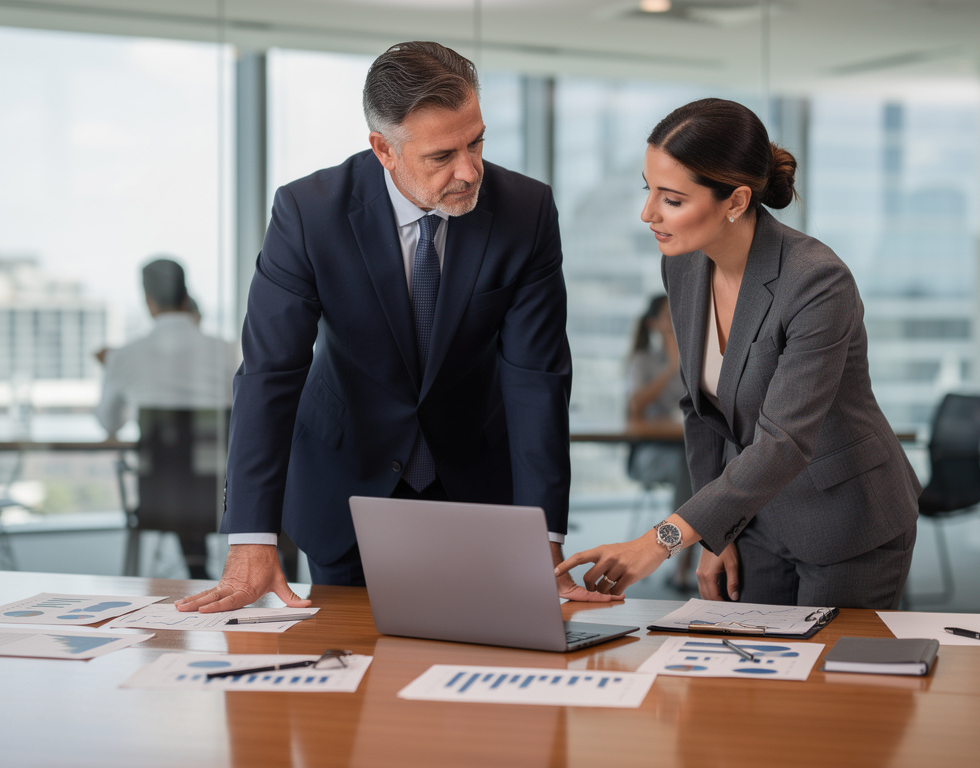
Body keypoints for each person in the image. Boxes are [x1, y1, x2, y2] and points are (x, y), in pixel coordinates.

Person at [177, 41, 611, 614]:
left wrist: (544, 541)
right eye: (441, 156)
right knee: (345, 678)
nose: (469, 170)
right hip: (345, 486)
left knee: (478, 681)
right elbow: (270, 373)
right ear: (384, 149)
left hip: (478, 487)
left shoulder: (524, 210)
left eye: (476, 141)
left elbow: (537, 379)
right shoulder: (309, 213)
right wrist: (252, 536)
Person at [557, 98, 920, 609]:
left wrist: (660, 541)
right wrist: (714, 532)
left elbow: (784, 442)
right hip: (756, 515)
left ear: (736, 200)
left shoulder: (816, 281)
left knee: (829, 685)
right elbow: (700, 410)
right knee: (749, 679)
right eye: (649, 190)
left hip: (844, 518)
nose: (648, 214)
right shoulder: (683, 268)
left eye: (672, 199)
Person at [94, 257, 238, 437]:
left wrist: (110, 367)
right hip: (219, 464)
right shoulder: (229, 351)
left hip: (157, 464)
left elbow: (109, 423)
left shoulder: (122, 357)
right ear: (186, 297)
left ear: (148, 300)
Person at [625, 295, 695, 592]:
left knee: (701, 464)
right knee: (689, 468)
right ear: (653, 323)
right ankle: (678, 563)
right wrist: (670, 366)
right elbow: (635, 407)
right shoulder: (642, 359)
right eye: (668, 316)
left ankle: (688, 563)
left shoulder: (693, 359)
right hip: (649, 454)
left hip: (684, 447)